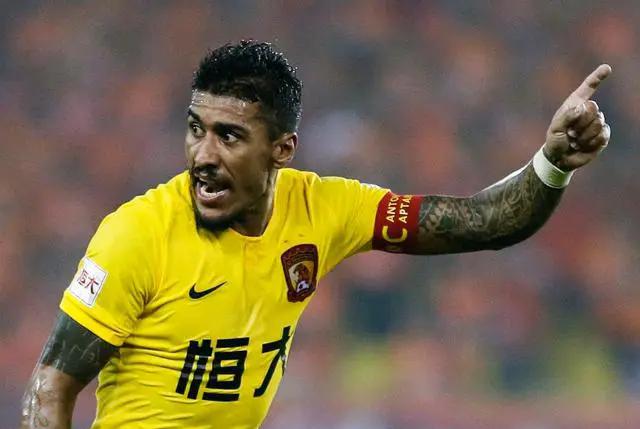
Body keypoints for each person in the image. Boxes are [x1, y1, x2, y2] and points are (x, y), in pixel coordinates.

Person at [20, 40, 611, 429]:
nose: (203, 155)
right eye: (196, 128)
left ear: (282, 149)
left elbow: (484, 221)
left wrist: (552, 163)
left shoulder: (324, 208)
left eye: (230, 136)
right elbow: (50, 385)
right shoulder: (136, 234)